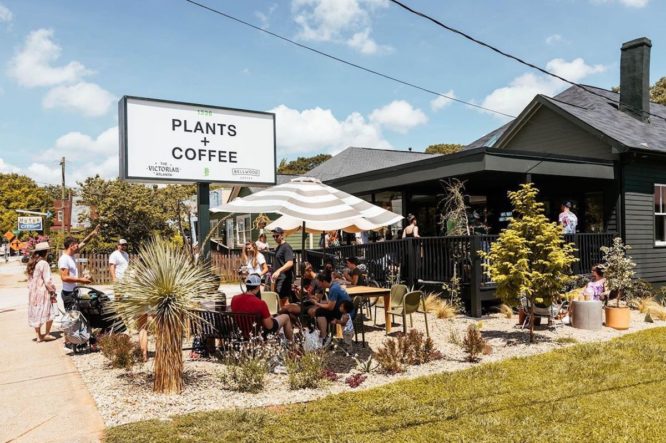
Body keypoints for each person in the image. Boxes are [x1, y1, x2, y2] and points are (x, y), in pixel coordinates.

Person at [231, 274, 293, 341]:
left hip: (241, 332)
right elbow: (269, 326)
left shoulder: (234, 299)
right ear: (258, 287)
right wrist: (270, 318)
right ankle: (292, 345)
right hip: (258, 334)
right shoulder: (260, 303)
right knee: (286, 317)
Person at [27, 242, 57, 342]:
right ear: (45, 252)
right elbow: (47, 280)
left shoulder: (32, 263)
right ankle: (47, 334)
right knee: (49, 312)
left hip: (33, 292)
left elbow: (30, 280)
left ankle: (38, 335)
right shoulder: (44, 263)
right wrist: (52, 290)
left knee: (36, 312)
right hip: (43, 292)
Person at [312, 272, 354, 345]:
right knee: (322, 311)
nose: (319, 285)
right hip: (348, 309)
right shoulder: (335, 285)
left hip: (346, 313)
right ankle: (325, 334)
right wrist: (320, 302)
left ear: (324, 282)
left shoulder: (333, 289)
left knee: (319, 312)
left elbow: (330, 307)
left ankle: (324, 337)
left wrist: (317, 304)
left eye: (319, 283)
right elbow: (330, 302)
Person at [59, 236, 92, 311]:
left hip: (74, 291)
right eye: (76, 245)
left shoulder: (71, 256)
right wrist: (81, 280)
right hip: (68, 294)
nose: (78, 247)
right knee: (72, 319)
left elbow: (84, 243)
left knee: (77, 317)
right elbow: (64, 277)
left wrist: (92, 234)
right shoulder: (64, 259)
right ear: (71, 246)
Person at [270, 227, 295, 305]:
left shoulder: (286, 247)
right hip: (278, 278)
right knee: (279, 301)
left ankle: (288, 316)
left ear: (282, 235)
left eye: (277, 236)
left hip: (284, 279)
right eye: (273, 236)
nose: (275, 238)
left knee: (284, 302)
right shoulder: (278, 247)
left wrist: (278, 271)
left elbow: (290, 263)